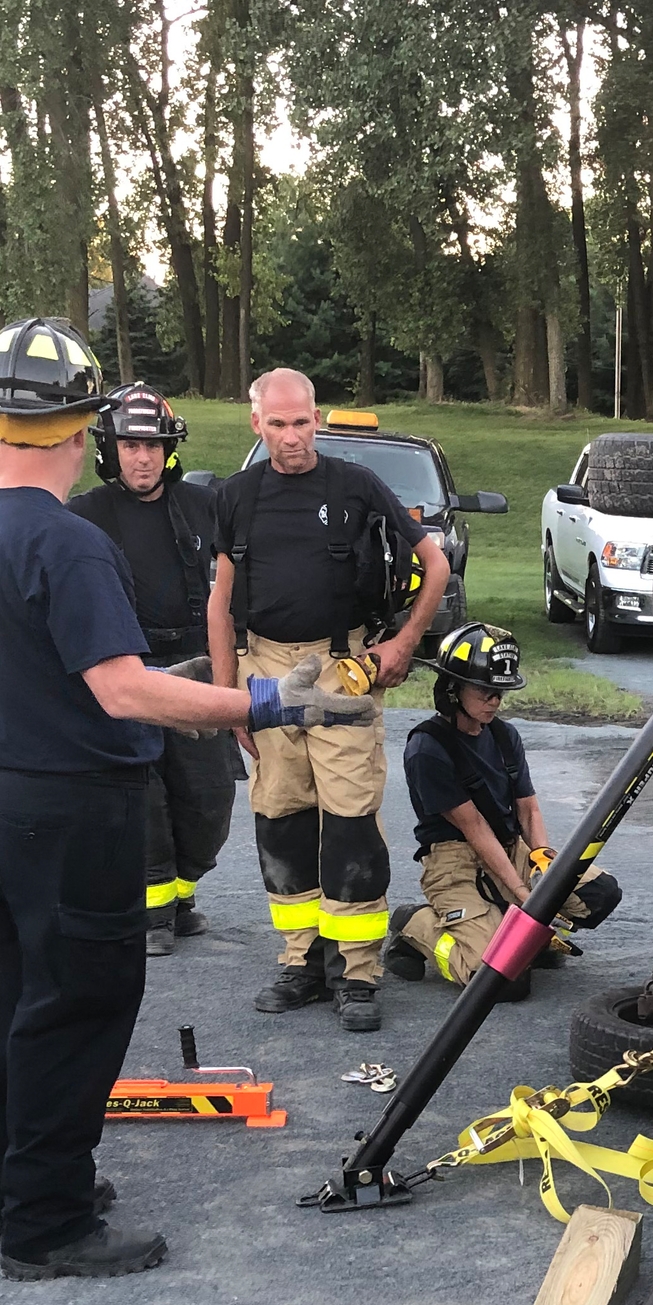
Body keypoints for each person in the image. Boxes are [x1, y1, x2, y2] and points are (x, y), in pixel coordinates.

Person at [0, 318, 377, 1281]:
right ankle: (46, 1224)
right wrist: (263, 699)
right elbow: (121, 689)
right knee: (80, 1001)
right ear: (84, 423)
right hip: (73, 803)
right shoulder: (69, 540)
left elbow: (26, 656)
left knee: (11, 994)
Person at [206, 368, 448, 1034]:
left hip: (343, 668)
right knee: (281, 815)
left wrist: (401, 643)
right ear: (256, 424)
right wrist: (232, 699)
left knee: (348, 819)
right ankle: (300, 964)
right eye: (277, 424)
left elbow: (436, 563)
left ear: (319, 419)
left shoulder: (356, 487)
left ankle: (358, 973)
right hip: (264, 667)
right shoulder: (236, 497)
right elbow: (220, 603)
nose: (291, 437)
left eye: (302, 422)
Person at [69, 386, 235, 955]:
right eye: (130, 444)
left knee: (209, 800)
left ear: (170, 449)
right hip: (126, 671)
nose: (143, 457)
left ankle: (183, 895)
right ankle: (152, 913)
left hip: (195, 668)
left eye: (153, 445)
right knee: (143, 799)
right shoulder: (83, 516)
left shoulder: (204, 506)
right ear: (109, 448)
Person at [385, 622, 621, 988]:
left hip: (511, 850)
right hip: (455, 864)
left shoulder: (504, 736)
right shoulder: (427, 749)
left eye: (500, 692)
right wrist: (529, 897)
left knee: (598, 893)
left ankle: (513, 926)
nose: (495, 701)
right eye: (485, 691)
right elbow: (475, 829)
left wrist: (542, 859)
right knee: (497, 980)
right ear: (452, 688)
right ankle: (417, 923)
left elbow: (528, 808)